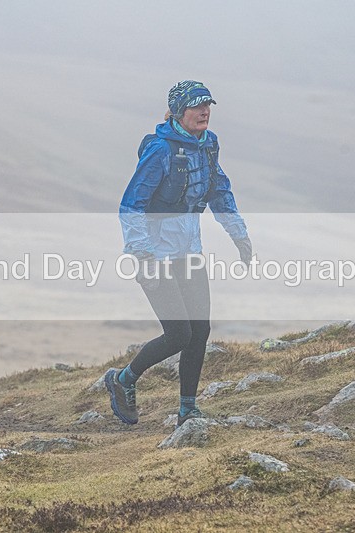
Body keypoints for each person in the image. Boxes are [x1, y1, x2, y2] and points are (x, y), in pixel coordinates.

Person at [107, 80, 252, 427]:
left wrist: (239, 235)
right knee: (178, 334)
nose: (205, 112)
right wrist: (143, 255)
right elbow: (131, 205)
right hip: (154, 256)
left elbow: (219, 191)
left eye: (208, 106)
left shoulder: (208, 145)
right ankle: (123, 379)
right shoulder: (160, 151)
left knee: (199, 330)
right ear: (178, 111)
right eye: (197, 106)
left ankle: (188, 408)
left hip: (189, 253)